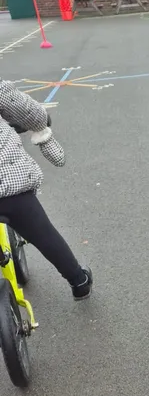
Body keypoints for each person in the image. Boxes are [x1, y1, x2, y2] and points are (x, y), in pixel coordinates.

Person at [0, 81, 92, 300]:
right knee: (43, 233)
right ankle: (79, 281)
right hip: (8, 187)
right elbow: (27, 111)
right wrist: (42, 121)